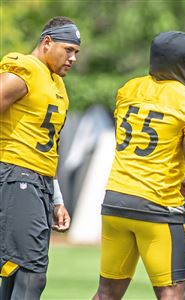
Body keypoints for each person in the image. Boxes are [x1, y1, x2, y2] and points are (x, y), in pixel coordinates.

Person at [92, 31, 185, 300]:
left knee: (106, 293)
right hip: (158, 208)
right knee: (171, 293)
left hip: (116, 201)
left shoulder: (128, 89)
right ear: (184, 64)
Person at [0, 16, 81, 299]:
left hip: (39, 181)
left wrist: (57, 198)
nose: (72, 58)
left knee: (16, 271)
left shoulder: (58, 83)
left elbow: (49, 149)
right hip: (16, 174)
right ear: (47, 43)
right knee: (33, 273)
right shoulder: (24, 69)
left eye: (76, 53)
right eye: (67, 49)